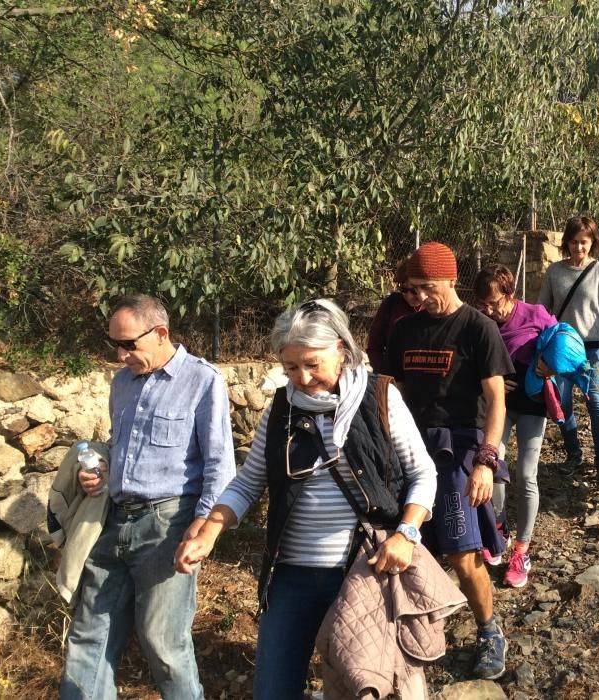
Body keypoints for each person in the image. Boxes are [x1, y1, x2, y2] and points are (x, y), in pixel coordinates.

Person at [174, 299, 437, 698]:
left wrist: (406, 533)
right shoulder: (281, 409)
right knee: (274, 689)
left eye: (313, 364)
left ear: (342, 350)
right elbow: (249, 483)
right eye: (291, 367)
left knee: (366, 687)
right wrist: (212, 528)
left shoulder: (379, 397)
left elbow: (423, 474)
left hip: (363, 571)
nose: (303, 377)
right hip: (293, 575)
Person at [61, 294, 236, 700]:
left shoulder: (202, 380)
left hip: (167, 525)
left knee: (163, 644)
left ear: (160, 334)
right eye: (114, 345)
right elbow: (122, 446)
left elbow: (219, 463)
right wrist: (100, 475)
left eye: (128, 344)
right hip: (114, 521)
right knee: (89, 635)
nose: (120, 356)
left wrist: (204, 523)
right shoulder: (122, 383)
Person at [385, 242, 512, 680]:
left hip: (459, 448)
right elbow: (392, 393)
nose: (418, 297)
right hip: (411, 448)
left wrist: (486, 460)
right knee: (408, 545)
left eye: (426, 287)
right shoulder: (404, 330)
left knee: (462, 553)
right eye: (411, 289)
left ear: (450, 278)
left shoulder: (478, 328)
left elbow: (496, 399)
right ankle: (415, 626)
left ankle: (489, 630)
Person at [473, 265, 556, 588]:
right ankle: (498, 528)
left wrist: (552, 367)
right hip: (500, 408)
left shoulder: (535, 314)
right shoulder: (482, 324)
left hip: (533, 405)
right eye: (484, 305)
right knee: (493, 466)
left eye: (494, 303)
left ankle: (522, 549)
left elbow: (567, 347)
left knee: (526, 474)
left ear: (510, 294)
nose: (490, 311)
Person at [539, 216, 599, 484]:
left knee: (597, 402)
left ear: (593, 243)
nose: (579, 248)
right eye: (574, 242)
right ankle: (573, 453)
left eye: (584, 242)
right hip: (563, 348)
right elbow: (543, 310)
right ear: (566, 243)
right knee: (561, 404)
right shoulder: (554, 272)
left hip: (595, 346)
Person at [365, 258, 420, 373]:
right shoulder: (392, 304)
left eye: (415, 291)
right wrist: (384, 372)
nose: (409, 296)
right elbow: (374, 346)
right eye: (404, 290)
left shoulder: (434, 308)